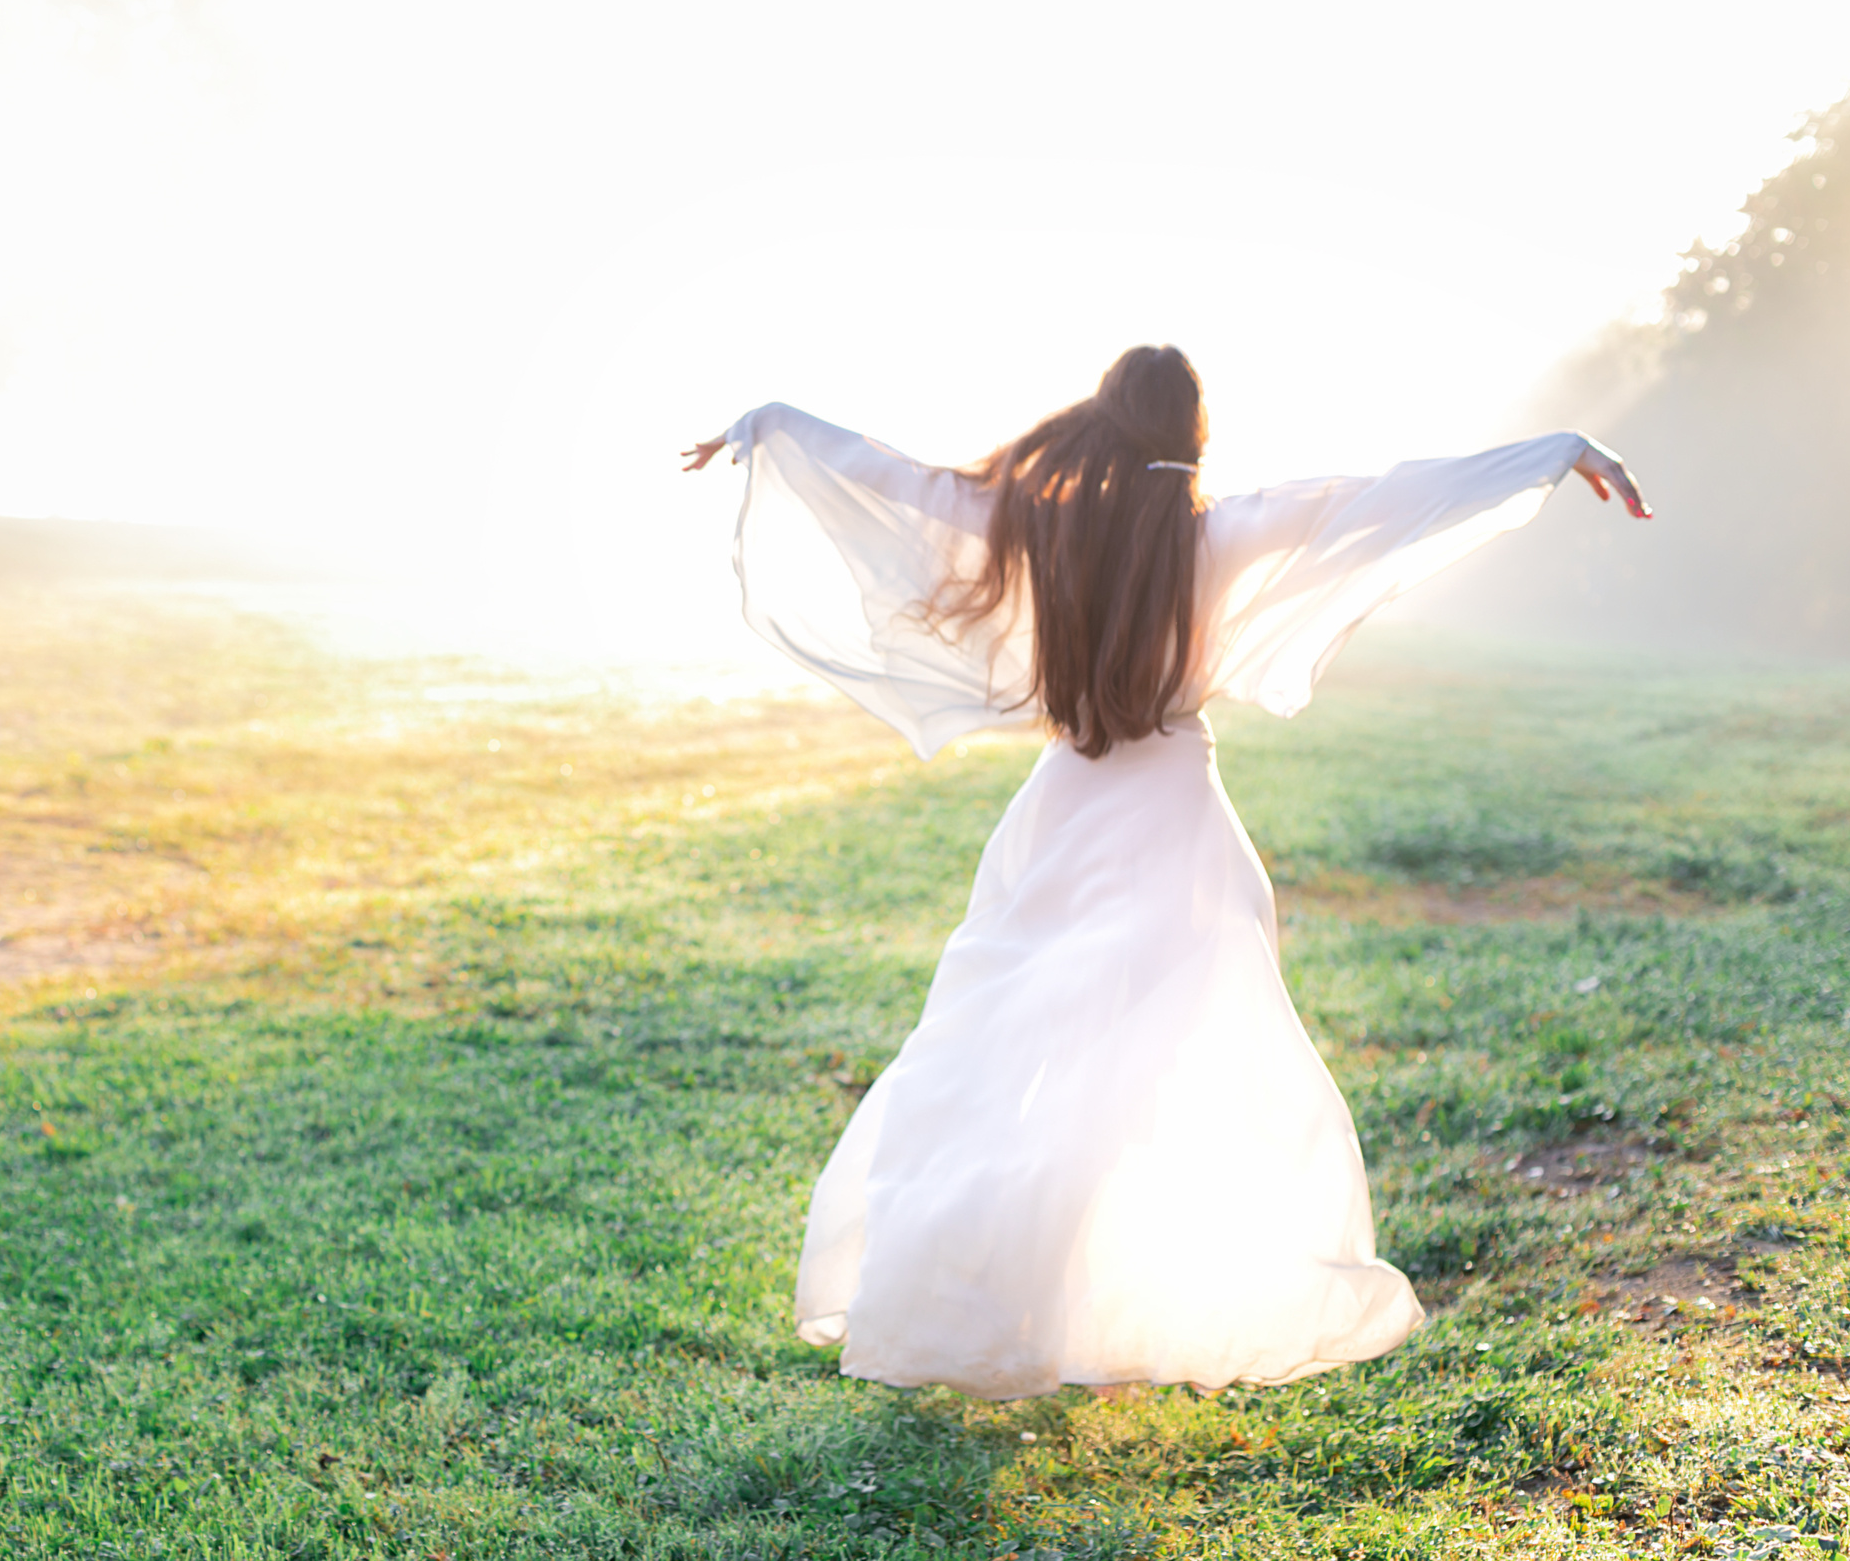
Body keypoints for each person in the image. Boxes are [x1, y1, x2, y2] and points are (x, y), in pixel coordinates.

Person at [680, 345, 1649, 1400]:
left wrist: (775, 422)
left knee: (1007, 1052)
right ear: (1195, 435)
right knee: (1166, 1066)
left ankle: (1004, 1298)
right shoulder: (1224, 531)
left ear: (1104, 419)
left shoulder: (1036, 521)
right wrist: (1554, 454)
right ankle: (1105, 1305)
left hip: (1062, 813)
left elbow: (900, 481)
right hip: (1177, 821)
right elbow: (1384, 499)